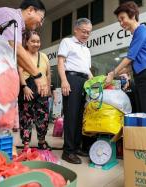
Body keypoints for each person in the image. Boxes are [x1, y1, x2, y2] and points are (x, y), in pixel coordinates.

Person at [0, 0, 48, 97]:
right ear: (31, 10)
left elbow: (13, 52)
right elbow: (15, 47)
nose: (41, 24)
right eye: (41, 19)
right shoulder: (10, 15)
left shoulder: (18, 24)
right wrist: (38, 75)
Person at [106, 1, 146, 118]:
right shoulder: (136, 35)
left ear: (132, 15)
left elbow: (130, 57)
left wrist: (113, 73)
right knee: (143, 115)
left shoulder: (142, 30)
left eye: (122, 18)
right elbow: (134, 63)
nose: (121, 23)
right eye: (119, 21)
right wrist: (116, 75)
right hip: (142, 77)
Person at [57, 18, 93, 164]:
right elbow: (60, 62)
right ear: (76, 30)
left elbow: (88, 71)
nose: (86, 35)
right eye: (84, 31)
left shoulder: (86, 49)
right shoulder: (67, 42)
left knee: (80, 116)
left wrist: (95, 83)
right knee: (71, 116)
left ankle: (77, 146)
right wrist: (64, 81)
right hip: (71, 79)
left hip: (84, 81)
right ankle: (68, 151)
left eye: (89, 32)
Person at [18, 30, 51, 150]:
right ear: (26, 42)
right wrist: (24, 87)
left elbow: (47, 75)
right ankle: (26, 144)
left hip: (42, 89)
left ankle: (41, 141)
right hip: (28, 88)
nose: (36, 44)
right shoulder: (23, 55)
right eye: (33, 41)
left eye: (38, 41)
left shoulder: (44, 56)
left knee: (43, 116)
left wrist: (48, 88)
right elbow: (20, 72)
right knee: (26, 117)